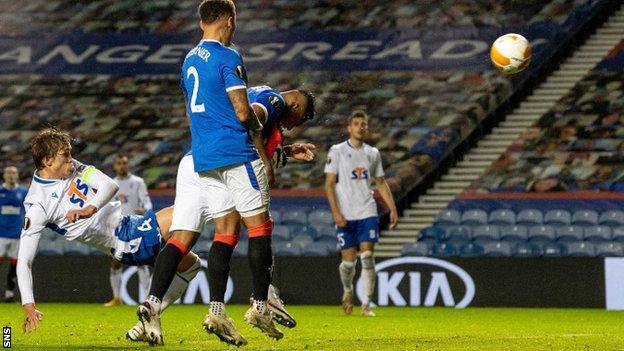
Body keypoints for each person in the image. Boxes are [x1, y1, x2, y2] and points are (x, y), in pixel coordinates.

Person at [137, 1, 278, 347]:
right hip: (234, 151)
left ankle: (212, 308)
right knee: (259, 226)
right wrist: (260, 128)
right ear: (229, 21)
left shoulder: (188, 60)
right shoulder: (229, 57)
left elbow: (193, 109)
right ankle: (260, 305)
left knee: (223, 233)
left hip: (203, 157)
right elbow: (244, 112)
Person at [17, 128, 202, 335]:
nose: (71, 159)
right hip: (125, 239)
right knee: (191, 209)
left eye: (70, 153)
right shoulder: (37, 205)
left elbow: (110, 186)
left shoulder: (73, 167)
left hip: (129, 223)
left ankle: (145, 324)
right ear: (47, 160)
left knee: (192, 265)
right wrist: (29, 305)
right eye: (65, 155)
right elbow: (24, 261)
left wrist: (90, 208)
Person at [324, 110, 398, 317]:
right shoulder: (337, 151)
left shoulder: (373, 153)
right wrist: (336, 213)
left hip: (367, 210)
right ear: (349, 128)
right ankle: (348, 291)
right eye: (356, 124)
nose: (360, 127)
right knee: (348, 263)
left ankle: (366, 303)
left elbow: (380, 182)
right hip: (345, 213)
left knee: (367, 256)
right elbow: (329, 185)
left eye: (363, 124)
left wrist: (392, 208)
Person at [105, 154, 153, 307]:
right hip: (118, 227)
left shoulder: (137, 182)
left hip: (136, 226)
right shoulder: (111, 184)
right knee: (116, 262)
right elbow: (107, 206)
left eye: (124, 163)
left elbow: (147, 202)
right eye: (119, 163)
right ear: (115, 166)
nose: (122, 166)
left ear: (128, 165)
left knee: (141, 262)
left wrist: (145, 210)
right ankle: (117, 298)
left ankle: (147, 298)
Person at [0, 166, 27, 302]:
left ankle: (9, 295)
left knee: (14, 265)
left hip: (16, 234)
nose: (11, 175)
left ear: (17, 176)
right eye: (8, 172)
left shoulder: (23, 192)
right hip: (0, 234)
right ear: (4, 175)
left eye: (14, 173)